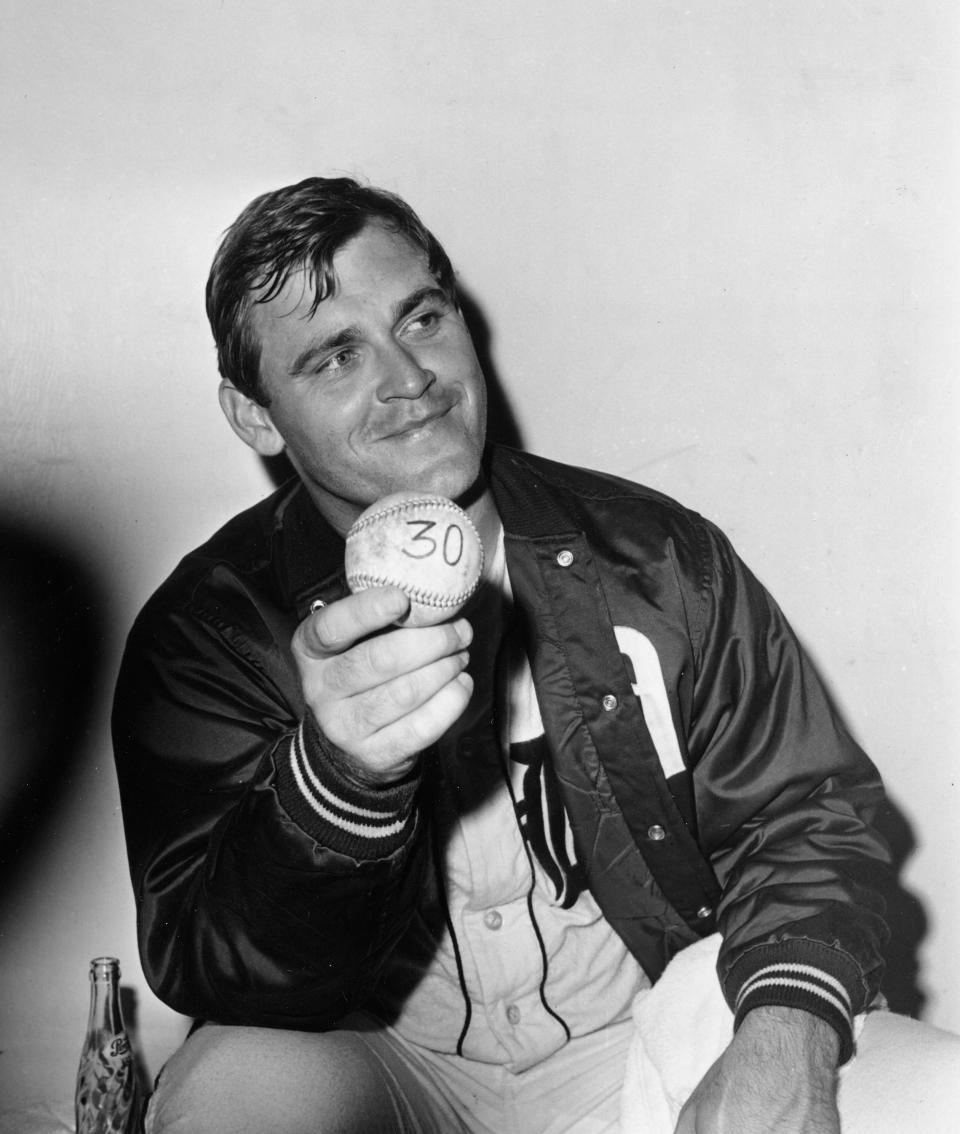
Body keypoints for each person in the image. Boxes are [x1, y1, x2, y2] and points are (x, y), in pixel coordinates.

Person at [113, 176, 917, 1133]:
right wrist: (334, 786)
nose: (408, 376)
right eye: (335, 357)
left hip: (642, 1031)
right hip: (381, 1058)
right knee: (226, 1102)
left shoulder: (654, 561)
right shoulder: (214, 632)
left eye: (422, 317)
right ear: (254, 416)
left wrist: (785, 1035)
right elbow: (204, 962)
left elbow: (809, 815)